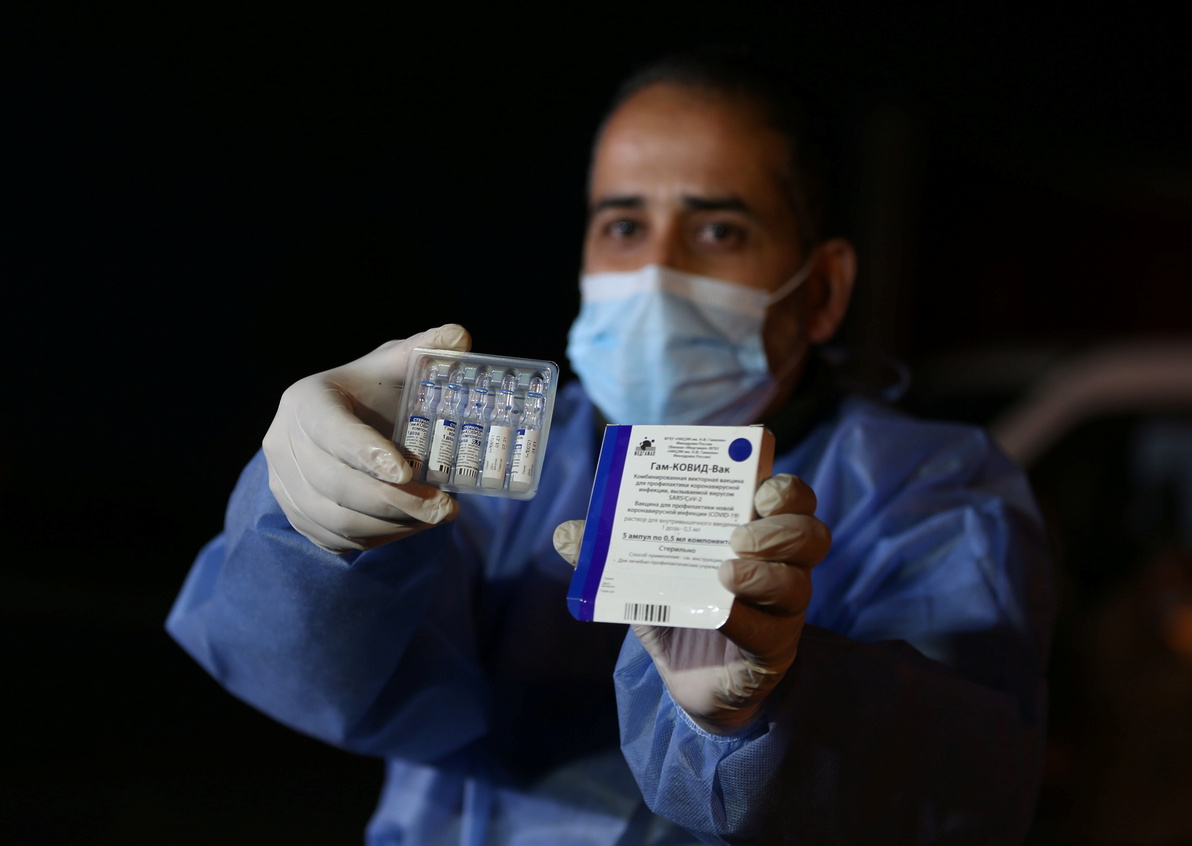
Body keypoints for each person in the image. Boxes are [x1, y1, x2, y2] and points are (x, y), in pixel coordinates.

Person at [167, 47, 1053, 845]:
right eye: (624, 227)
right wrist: (318, 539)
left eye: (718, 231)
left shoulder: (933, 492)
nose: (657, 271)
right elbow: (337, 687)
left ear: (821, 290)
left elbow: (965, 789)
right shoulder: (503, 452)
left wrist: (776, 710)